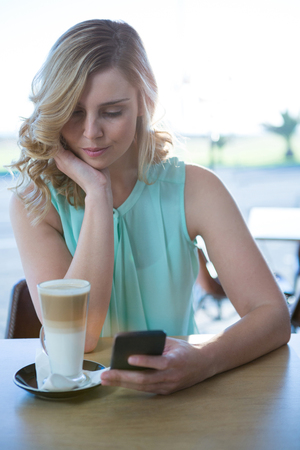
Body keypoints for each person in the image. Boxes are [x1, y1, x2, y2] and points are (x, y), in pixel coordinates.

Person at [9, 19, 290, 395]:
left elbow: (272, 316)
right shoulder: (35, 202)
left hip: (182, 395)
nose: (92, 132)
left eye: (111, 112)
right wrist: (97, 194)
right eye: (74, 112)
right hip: (79, 408)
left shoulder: (195, 189)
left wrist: (205, 360)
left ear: (145, 102)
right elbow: (84, 338)